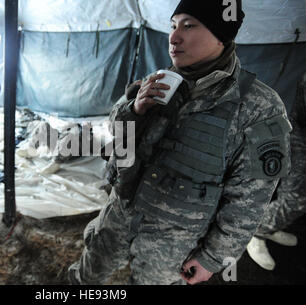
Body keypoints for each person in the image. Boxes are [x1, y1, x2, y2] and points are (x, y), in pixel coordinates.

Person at [68, 0, 292, 285]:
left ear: (221, 35)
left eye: (189, 26)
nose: (174, 37)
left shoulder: (260, 107)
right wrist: (133, 109)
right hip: (120, 213)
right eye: (173, 26)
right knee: (86, 276)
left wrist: (213, 257)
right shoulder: (161, 79)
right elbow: (116, 131)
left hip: (172, 241)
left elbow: (249, 201)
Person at [247, 73, 306, 270]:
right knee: (297, 196)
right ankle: (255, 230)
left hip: (295, 125)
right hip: (294, 127)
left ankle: (269, 225)